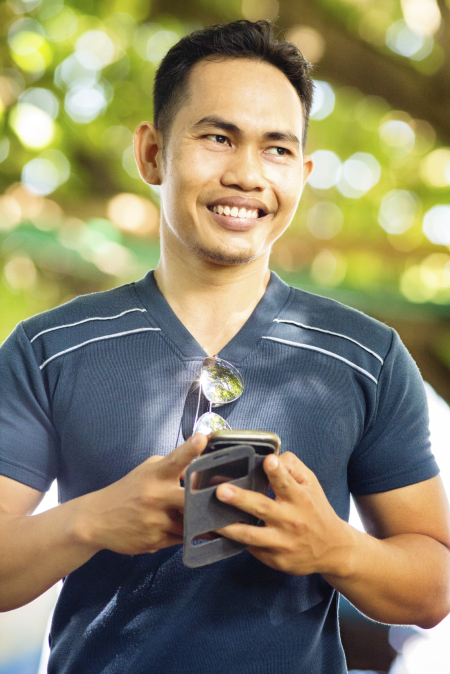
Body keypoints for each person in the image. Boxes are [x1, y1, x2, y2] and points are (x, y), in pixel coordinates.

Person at [0, 19, 449, 674]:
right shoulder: (46, 349)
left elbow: (434, 589)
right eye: (217, 137)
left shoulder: (369, 356)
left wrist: (334, 549)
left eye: (277, 149)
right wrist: (91, 520)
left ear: (303, 172)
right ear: (153, 153)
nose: (246, 174)